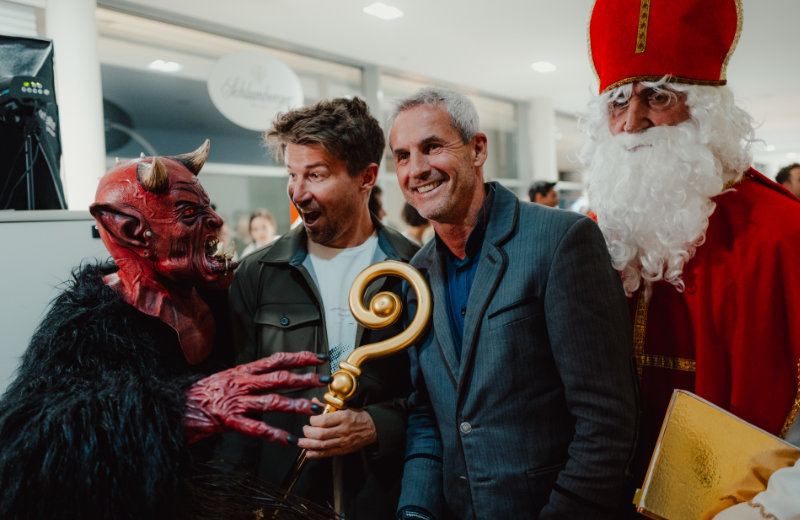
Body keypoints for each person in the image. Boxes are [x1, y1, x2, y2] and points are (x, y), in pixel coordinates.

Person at [0, 141, 331, 519]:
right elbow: (30, 448)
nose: (216, 220)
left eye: (209, 207)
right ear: (131, 230)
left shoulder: (224, 299)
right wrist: (179, 409)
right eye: (189, 212)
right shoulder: (87, 324)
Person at [581, 0, 800, 501]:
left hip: (743, 500)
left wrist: (778, 502)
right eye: (617, 102)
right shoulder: (594, 233)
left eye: (656, 97)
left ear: (705, 111)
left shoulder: (784, 233)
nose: (632, 122)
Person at [388, 87, 638, 519]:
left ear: (477, 149)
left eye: (432, 147)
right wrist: (415, 510)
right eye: (403, 156)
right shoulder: (416, 275)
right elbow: (428, 416)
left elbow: (606, 421)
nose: (417, 169)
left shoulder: (561, 240)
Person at [229, 97, 418, 518]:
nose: (298, 192)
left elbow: (442, 399)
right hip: (283, 501)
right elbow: (236, 402)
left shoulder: (414, 270)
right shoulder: (258, 273)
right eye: (292, 174)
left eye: (315, 175)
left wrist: (378, 424)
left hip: (383, 499)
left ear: (367, 177)